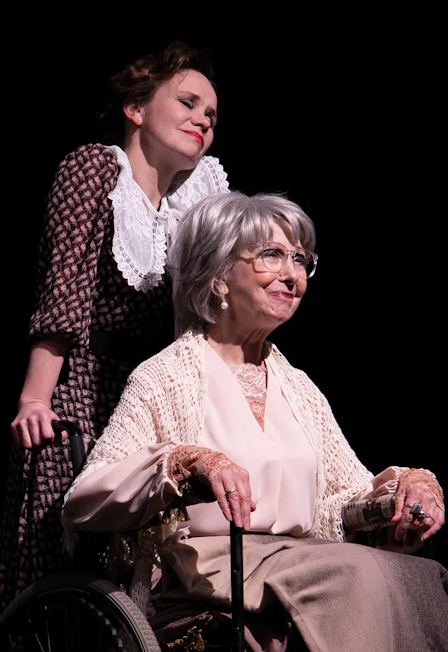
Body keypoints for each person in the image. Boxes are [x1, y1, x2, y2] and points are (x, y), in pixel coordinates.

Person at [61, 190, 447, 651]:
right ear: (219, 275)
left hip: (302, 566)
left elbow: (342, 499)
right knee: (357, 574)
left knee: (420, 576)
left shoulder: (299, 388)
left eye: (300, 260)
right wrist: (185, 462)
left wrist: (404, 495)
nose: (292, 275)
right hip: (209, 572)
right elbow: (85, 497)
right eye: (272, 255)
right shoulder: (165, 377)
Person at [0, 39, 230, 612]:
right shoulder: (94, 172)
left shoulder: (194, 203)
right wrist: (36, 398)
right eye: (187, 102)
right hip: (81, 389)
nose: (203, 119)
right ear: (135, 108)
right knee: (67, 568)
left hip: (151, 395)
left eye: (211, 114)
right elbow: (65, 293)